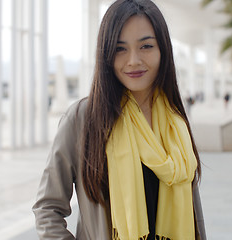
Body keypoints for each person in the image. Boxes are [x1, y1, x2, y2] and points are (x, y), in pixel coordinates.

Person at [33, 1, 206, 239]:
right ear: (106, 54)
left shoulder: (174, 122)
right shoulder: (83, 119)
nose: (133, 60)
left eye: (146, 46)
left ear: (163, 50)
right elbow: (47, 208)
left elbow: (194, 214)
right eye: (120, 49)